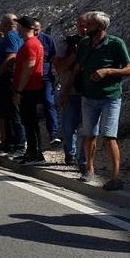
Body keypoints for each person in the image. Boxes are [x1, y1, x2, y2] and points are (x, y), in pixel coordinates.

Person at [76, 11, 130, 190]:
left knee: (109, 136)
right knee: (89, 134)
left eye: (90, 25)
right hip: (89, 96)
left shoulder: (116, 44)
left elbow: (129, 69)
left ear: (100, 26)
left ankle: (116, 177)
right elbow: (79, 67)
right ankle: (89, 169)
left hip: (110, 97)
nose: (86, 28)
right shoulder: (84, 43)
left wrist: (108, 71)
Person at [53, 17, 88, 168]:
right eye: (80, 25)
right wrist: (74, 56)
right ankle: (70, 154)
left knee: (88, 128)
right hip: (71, 91)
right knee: (68, 127)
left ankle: (84, 160)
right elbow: (59, 66)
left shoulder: (96, 44)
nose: (84, 29)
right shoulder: (68, 43)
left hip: (89, 93)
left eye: (86, 26)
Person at [0, 14, 25, 158]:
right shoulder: (12, 37)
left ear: (7, 24)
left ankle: (18, 144)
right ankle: (9, 143)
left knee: (12, 113)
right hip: (5, 80)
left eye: (2, 23)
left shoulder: (11, 37)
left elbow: (12, 57)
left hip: (7, 81)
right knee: (6, 113)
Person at [11, 16, 45, 164]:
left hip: (28, 89)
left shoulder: (30, 45)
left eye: (18, 26)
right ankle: (32, 151)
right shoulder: (32, 43)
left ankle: (35, 154)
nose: (16, 29)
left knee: (29, 122)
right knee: (29, 121)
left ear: (23, 27)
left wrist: (18, 91)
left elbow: (28, 68)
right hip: (30, 88)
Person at [35, 20, 60, 149]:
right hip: (32, 78)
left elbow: (54, 57)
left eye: (37, 29)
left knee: (49, 103)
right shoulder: (25, 41)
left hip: (46, 77)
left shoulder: (48, 40)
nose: (35, 31)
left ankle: (53, 133)